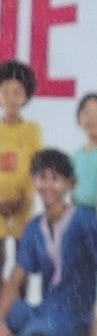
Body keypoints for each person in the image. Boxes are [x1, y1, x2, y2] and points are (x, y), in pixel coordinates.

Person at [3, 149, 97, 336]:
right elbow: (16, 280)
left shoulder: (85, 220)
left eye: (55, 178)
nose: (47, 184)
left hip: (72, 318)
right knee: (16, 311)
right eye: (41, 177)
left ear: (70, 184)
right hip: (45, 309)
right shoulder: (34, 226)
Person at [0, 62, 39, 244]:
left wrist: (24, 199)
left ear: (26, 97)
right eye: (5, 91)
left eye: (17, 92)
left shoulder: (32, 130)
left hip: (22, 205)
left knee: (23, 256)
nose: (10, 98)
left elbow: (37, 167)